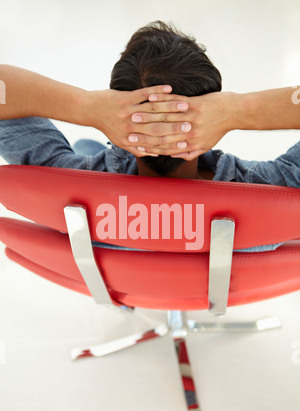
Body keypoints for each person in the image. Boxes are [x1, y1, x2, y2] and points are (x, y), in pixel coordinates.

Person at [0, 21, 299, 253]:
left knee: (85, 149)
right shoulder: (274, 193)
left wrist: (86, 106)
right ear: (211, 127)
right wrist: (238, 110)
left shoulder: (68, 189)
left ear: (115, 120)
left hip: (125, 277)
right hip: (214, 288)